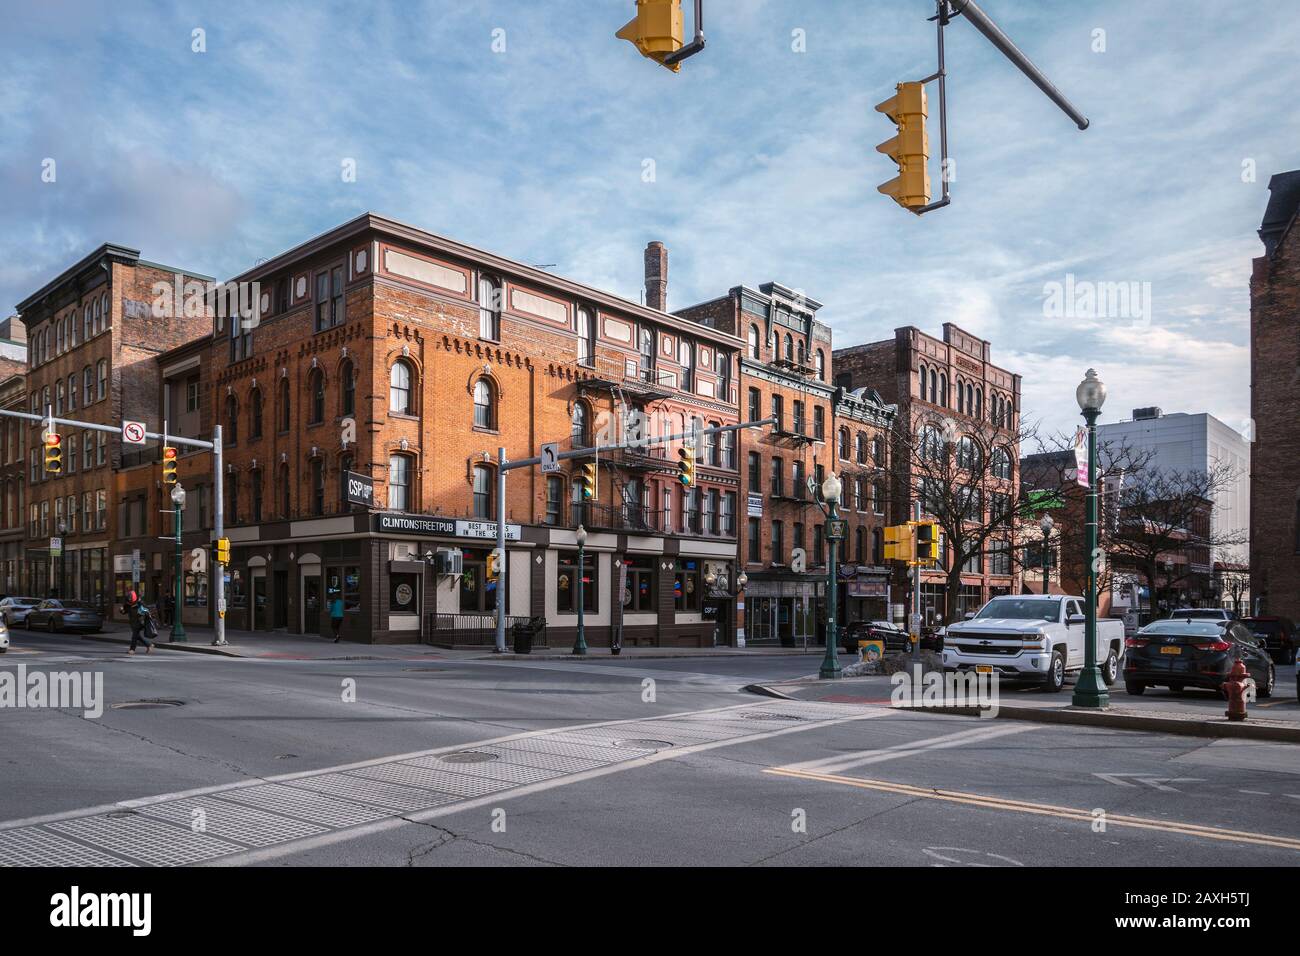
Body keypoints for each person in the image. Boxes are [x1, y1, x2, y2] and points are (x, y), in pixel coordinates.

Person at [125, 589, 153, 656]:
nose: (130, 600)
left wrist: (143, 614)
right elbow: (125, 610)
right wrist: (122, 610)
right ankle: (149, 645)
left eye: (131, 598)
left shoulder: (140, 603)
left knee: (134, 635)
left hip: (140, 621)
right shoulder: (127, 603)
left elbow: (146, 610)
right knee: (137, 636)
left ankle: (132, 649)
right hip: (132, 622)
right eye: (129, 599)